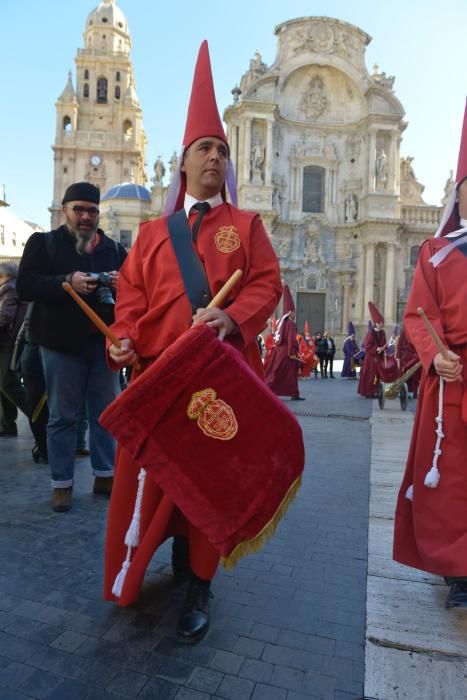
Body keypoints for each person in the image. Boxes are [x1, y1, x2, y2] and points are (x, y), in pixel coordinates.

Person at [104, 41, 282, 644]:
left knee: (209, 480)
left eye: (222, 150)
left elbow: (267, 284)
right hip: (157, 377)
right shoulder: (153, 233)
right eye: (207, 147)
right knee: (154, 482)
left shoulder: (246, 226)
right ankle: (150, 559)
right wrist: (123, 340)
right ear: (183, 162)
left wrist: (233, 321)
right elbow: (129, 299)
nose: (216, 156)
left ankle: (200, 582)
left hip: (217, 377)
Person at [394, 102, 467, 608]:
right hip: (453, 378)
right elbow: (420, 313)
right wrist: (435, 354)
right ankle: (459, 571)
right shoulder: (436, 252)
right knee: (455, 480)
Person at [16, 181, 127, 512]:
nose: (85, 216)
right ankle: (61, 483)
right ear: (65, 210)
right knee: (62, 416)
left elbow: (138, 292)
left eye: (92, 210)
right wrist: (67, 281)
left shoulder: (115, 249)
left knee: (106, 414)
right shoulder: (44, 243)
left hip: (103, 343)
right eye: (78, 209)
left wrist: (124, 283)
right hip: (59, 344)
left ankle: (105, 474)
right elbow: (25, 285)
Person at [0, 262, 27, 436]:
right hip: (10, 342)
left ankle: (37, 415)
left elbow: (4, 316)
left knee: (7, 382)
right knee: (3, 383)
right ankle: (6, 424)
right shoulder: (15, 288)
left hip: (7, 343)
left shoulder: (8, 289)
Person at [264, 286, 304, 401]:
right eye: (294, 312)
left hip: (280, 351)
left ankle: (292, 393)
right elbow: (291, 339)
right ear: (290, 312)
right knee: (287, 374)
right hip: (287, 352)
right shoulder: (290, 324)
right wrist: (292, 352)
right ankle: (269, 390)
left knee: (278, 371)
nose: (295, 314)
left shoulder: (282, 323)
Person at [357, 302, 386, 398]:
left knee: (377, 375)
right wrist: (377, 348)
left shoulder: (382, 333)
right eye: (381, 323)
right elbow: (367, 345)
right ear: (377, 323)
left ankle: (375, 390)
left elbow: (384, 343)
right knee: (370, 375)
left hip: (378, 357)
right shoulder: (371, 333)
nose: (382, 324)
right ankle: (368, 392)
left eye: (383, 323)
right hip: (370, 358)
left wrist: (384, 348)